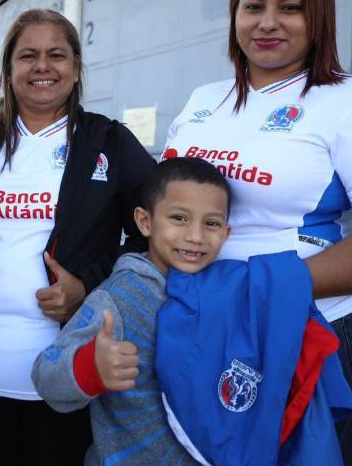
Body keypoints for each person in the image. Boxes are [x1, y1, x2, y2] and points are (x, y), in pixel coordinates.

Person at [162, 0, 352, 465]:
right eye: (253, 6)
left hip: (319, 331)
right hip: (205, 323)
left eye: (291, 7)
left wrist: (265, 285)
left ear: (319, 15)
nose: (268, 22)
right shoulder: (202, 100)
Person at [0, 9, 155, 464]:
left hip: (70, 376)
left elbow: (152, 235)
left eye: (56, 55)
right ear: (9, 69)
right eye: (28, 56)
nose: (42, 66)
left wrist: (87, 286)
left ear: (76, 68)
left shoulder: (109, 142)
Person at [32, 157, 230, 464]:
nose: (196, 236)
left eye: (211, 223)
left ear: (227, 233)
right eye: (179, 218)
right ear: (144, 222)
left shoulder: (224, 293)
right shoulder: (119, 297)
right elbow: (45, 373)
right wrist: (90, 367)